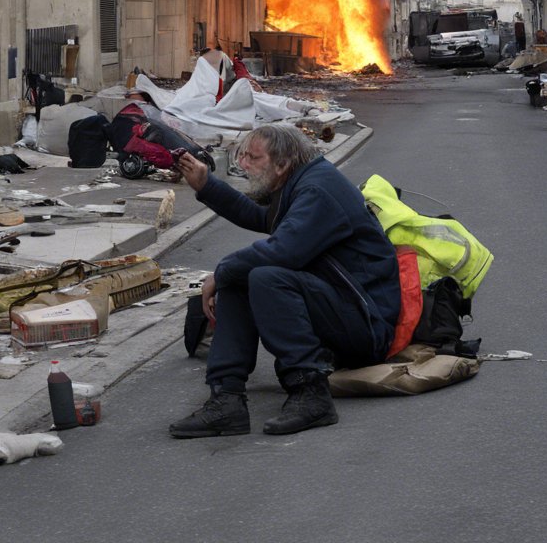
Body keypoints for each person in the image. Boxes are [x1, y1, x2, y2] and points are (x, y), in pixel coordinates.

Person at [168, 123, 400, 438]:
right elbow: (264, 219)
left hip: (366, 325)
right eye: (244, 156)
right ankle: (226, 399)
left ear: (283, 164)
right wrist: (206, 186)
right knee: (243, 275)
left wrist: (220, 272)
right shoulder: (300, 181)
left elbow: (282, 251)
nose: (244, 165)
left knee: (264, 276)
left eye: (254, 158)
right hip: (341, 309)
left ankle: (310, 394)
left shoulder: (317, 191)